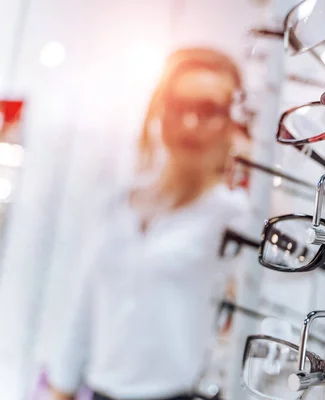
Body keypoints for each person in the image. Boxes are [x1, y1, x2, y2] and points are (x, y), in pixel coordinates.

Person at [48, 48, 249, 400]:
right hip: (98, 390)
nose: (190, 123)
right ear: (160, 107)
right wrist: (60, 388)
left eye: (208, 110)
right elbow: (83, 305)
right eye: (179, 105)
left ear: (231, 118)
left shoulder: (234, 215)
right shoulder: (116, 203)